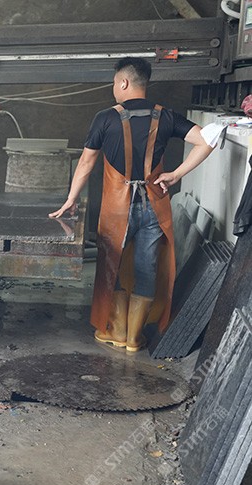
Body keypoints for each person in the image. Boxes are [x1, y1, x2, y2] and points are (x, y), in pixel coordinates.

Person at [49, 57, 214, 352]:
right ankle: (134, 338)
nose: (114, 88)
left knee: (111, 264)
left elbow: (86, 162)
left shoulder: (105, 118)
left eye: (115, 82)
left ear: (123, 82)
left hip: (117, 207)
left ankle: (117, 330)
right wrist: (176, 174)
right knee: (146, 267)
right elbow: (207, 140)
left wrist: (71, 199)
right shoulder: (166, 116)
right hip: (154, 206)